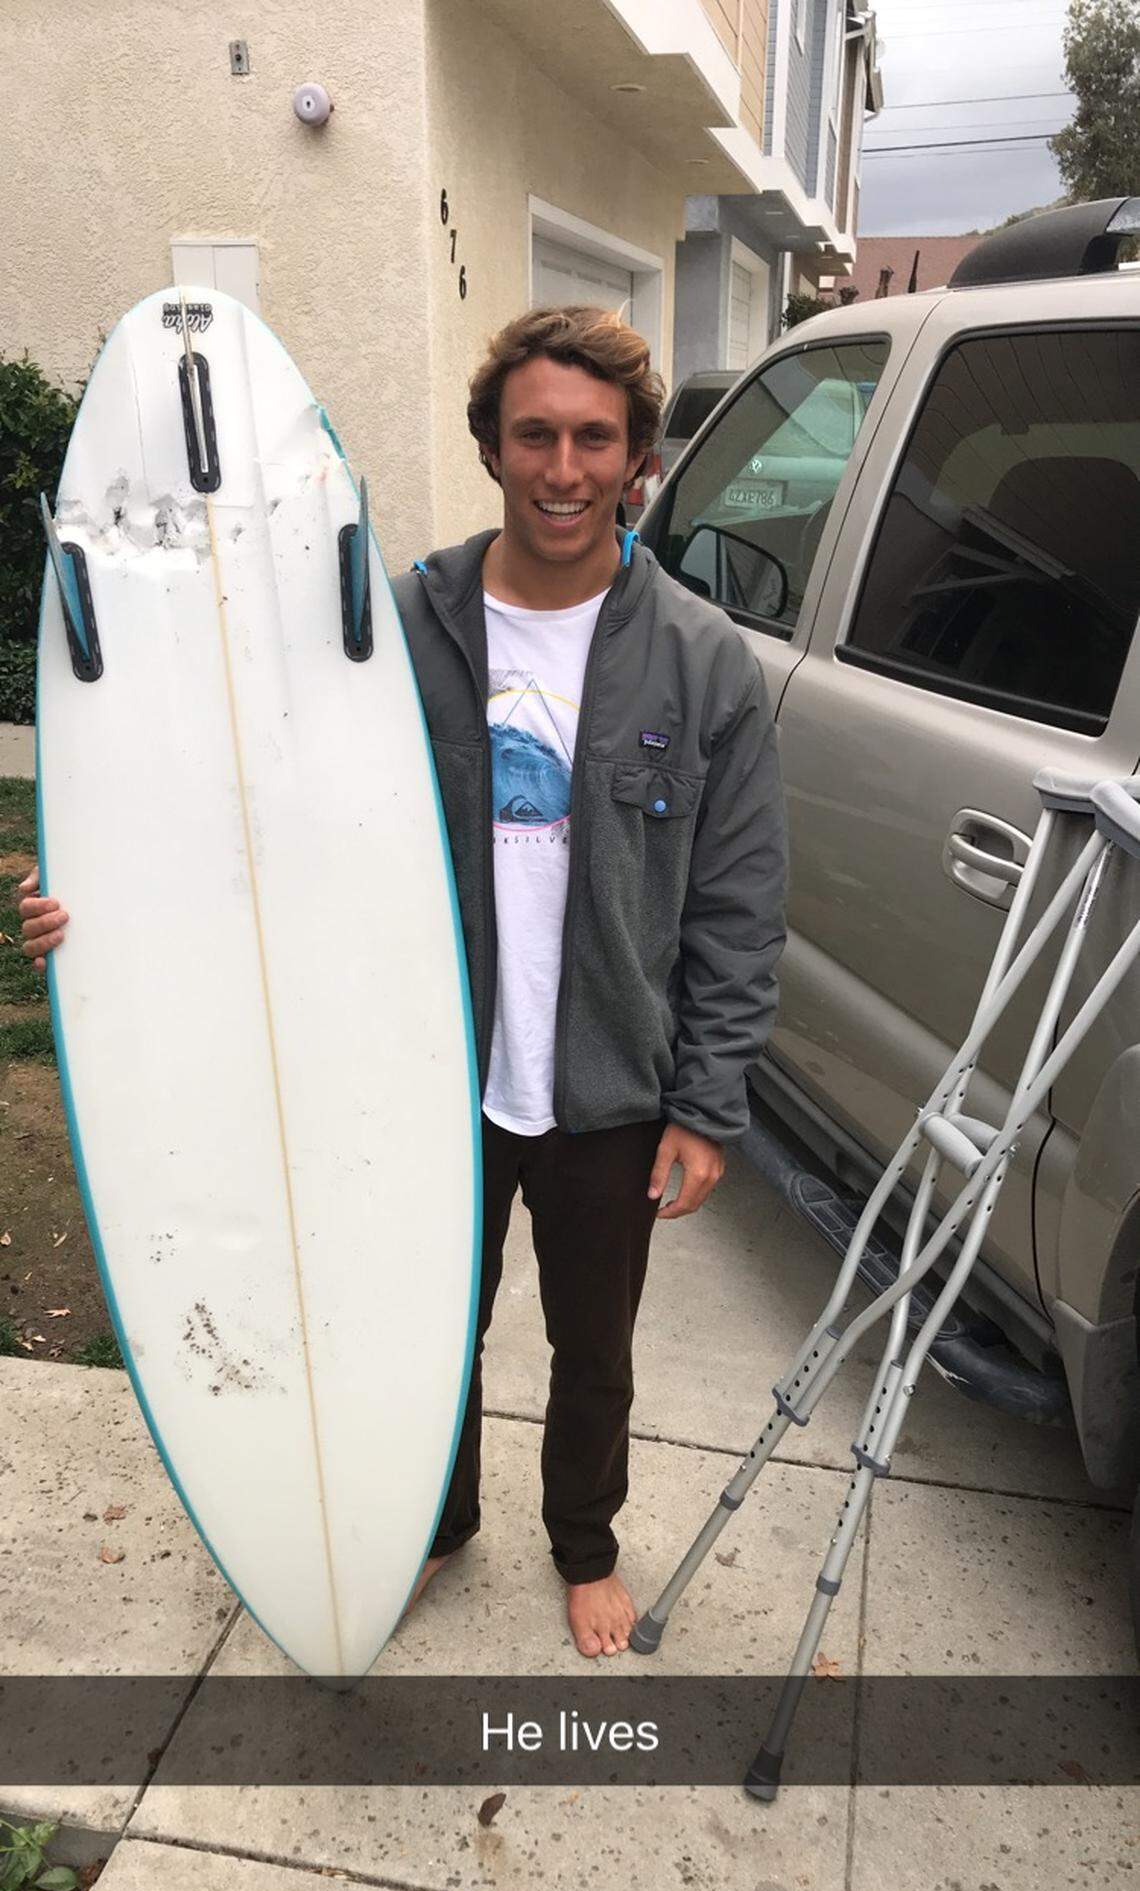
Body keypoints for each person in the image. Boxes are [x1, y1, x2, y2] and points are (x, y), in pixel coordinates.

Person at [21, 304, 787, 1661]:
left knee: (593, 1350)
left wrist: (706, 1102)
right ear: (491, 444)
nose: (565, 469)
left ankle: (584, 1543)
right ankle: (420, 1525)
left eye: (595, 441)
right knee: (415, 1326)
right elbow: (260, 802)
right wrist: (107, 903)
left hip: (611, 1077)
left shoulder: (701, 657)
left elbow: (737, 905)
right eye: (536, 435)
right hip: (425, 1070)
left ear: (638, 460)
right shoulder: (392, 628)